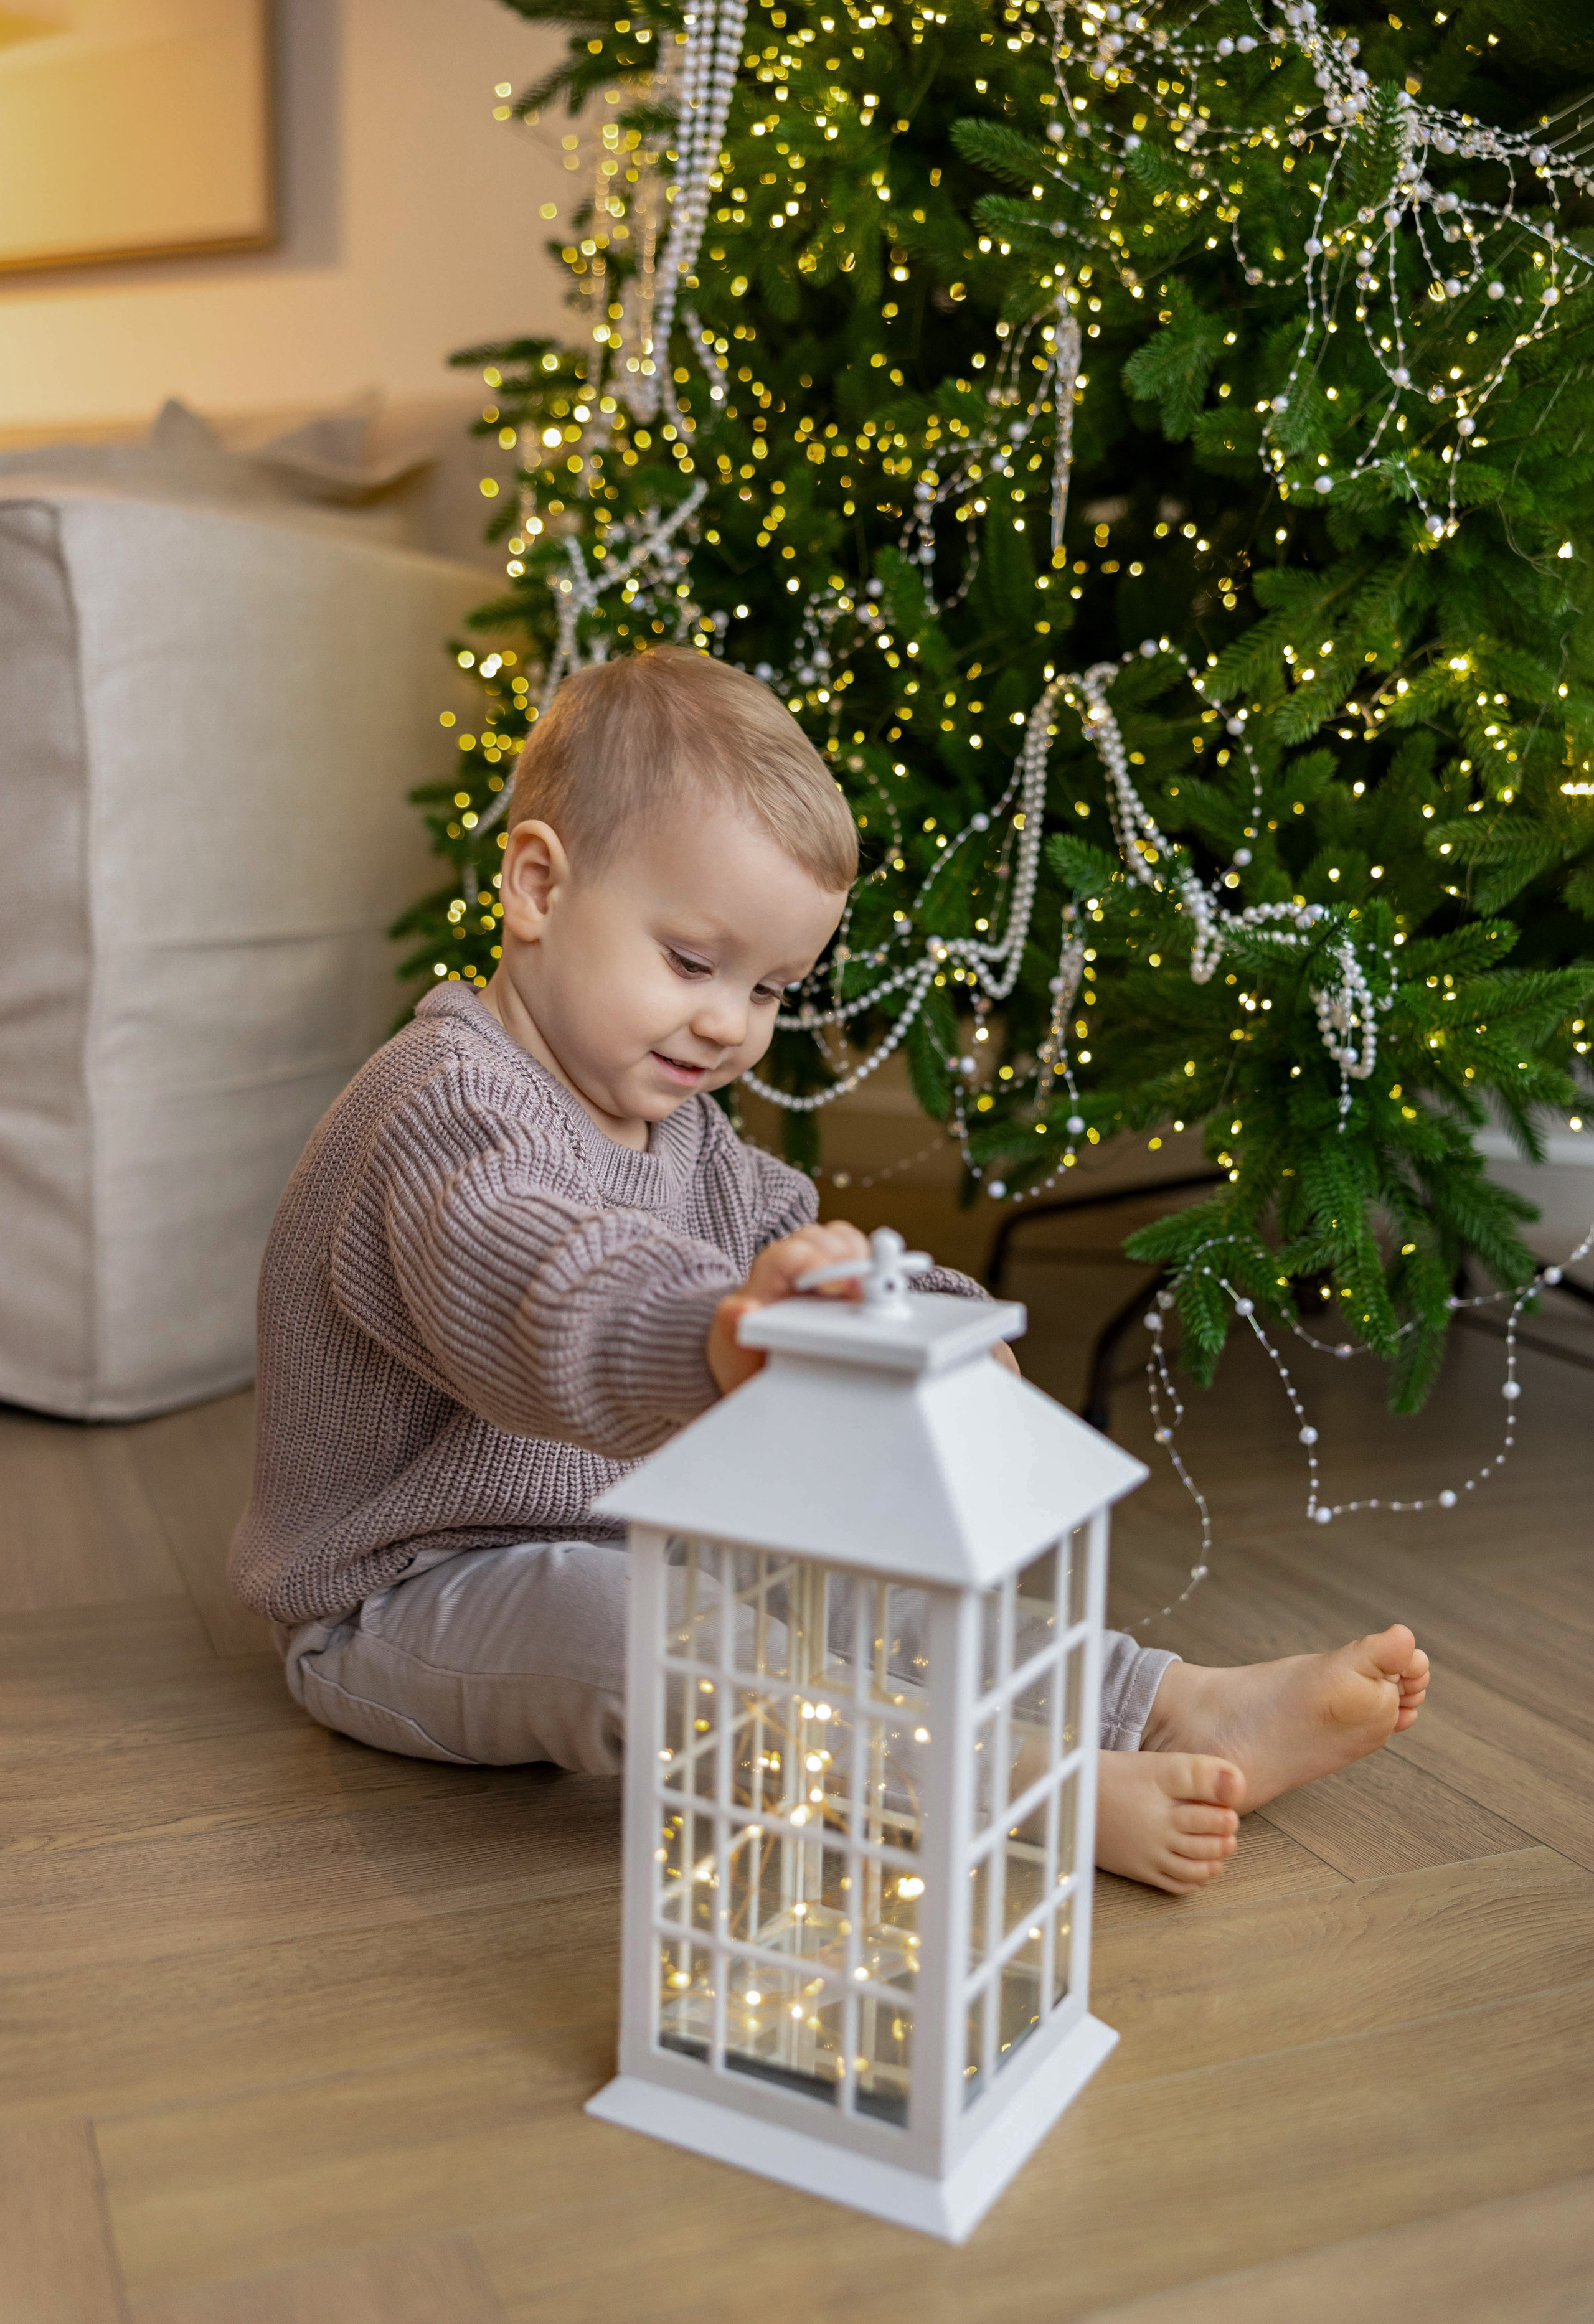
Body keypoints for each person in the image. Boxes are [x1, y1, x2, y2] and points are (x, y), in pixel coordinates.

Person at [231, 647, 1429, 1896]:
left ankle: (1167, 1703)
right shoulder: (443, 1111)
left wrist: (946, 1335)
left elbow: (805, 1244)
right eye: (690, 961)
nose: (728, 1023)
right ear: (537, 885)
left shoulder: (684, 1133)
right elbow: (553, 1292)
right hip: (408, 1596)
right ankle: (1018, 1789)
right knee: (651, 1635)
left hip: (643, 1534)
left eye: (768, 989)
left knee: (844, 1590)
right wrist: (720, 1332)